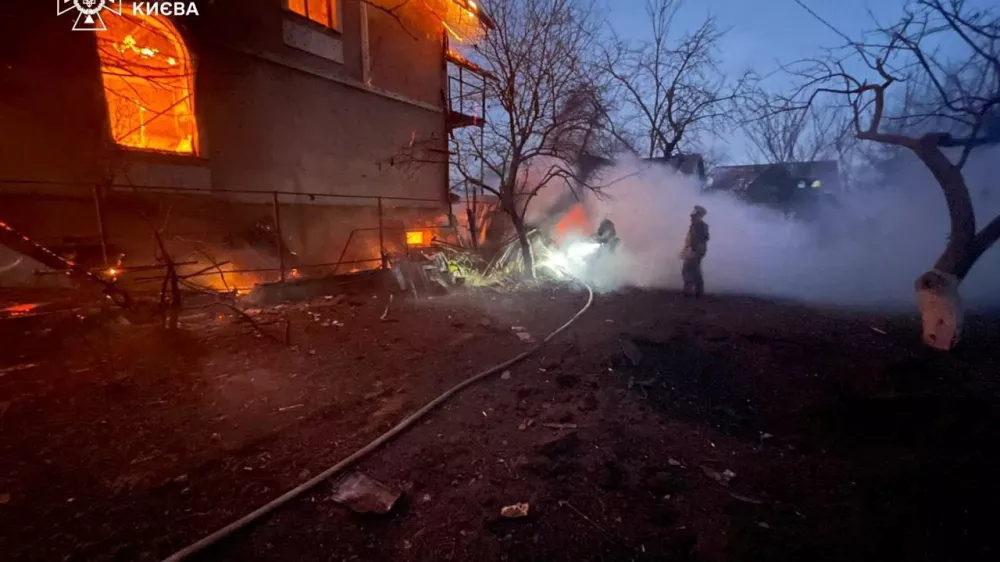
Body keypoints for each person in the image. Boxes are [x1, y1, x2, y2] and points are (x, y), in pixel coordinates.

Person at [681, 205, 709, 297]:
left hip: (695, 252)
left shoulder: (700, 225)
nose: (691, 215)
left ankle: (692, 292)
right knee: (692, 271)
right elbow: (690, 239)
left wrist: (694, 252)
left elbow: (700, 240)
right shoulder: (695, 225)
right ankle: (695, 291)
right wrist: (685, 250)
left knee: (690, 270)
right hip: (693, 251)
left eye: (694, 214)